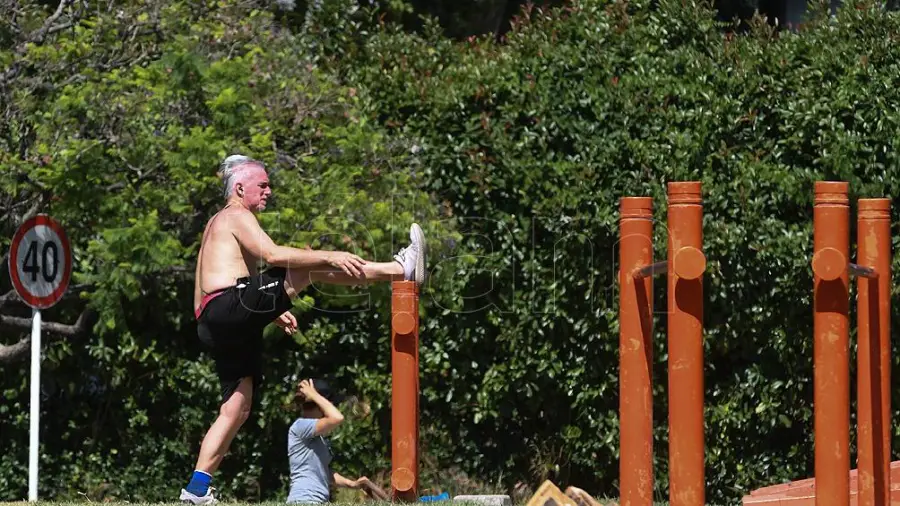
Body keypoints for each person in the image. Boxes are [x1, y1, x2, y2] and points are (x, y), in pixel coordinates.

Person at [180, 155, 425, 504]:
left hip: (213, 317)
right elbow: (272, 255)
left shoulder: (216, 223)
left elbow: (224, 279)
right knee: (308, 267)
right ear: (240, 188)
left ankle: (196, 490)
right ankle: (399, 269)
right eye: (263, 185)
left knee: (236, 408)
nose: (269, 191)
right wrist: (331, 255)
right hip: (227, 308)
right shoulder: (236, 214)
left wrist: (268, 311)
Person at [286, 378, 389, 504]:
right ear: (321, 405)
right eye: (331, 404)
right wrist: (314, 395)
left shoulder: (317, 437)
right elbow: (337, 418)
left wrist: (351, 484)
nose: (333, 407)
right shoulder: (300, 426)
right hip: (304, 499)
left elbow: (322, 471)